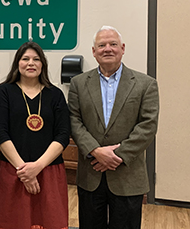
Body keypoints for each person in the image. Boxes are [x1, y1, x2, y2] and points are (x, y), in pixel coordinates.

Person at [68, 26, 159, 229]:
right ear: (94, 51)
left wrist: (115, 155)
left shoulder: (146, 84)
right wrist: (95, 151)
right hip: (91, 174)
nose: (107, 49)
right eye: (101, 45)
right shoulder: (78, 83)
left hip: (127, 174)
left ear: (123, 48)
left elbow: (148, 125)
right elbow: (74, 120)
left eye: (113, 44)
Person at [0, 41, 71, 229]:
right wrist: (25, 172)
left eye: (36, 59)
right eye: (25, 59)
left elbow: (63, 134)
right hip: (14, 170)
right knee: (13, 222)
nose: (30, 63)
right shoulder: (4, 92)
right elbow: (1, 134)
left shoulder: (55, 94)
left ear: (43, 64)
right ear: (17, 63)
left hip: (49, 170)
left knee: (51, 222)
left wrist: (37, 167)